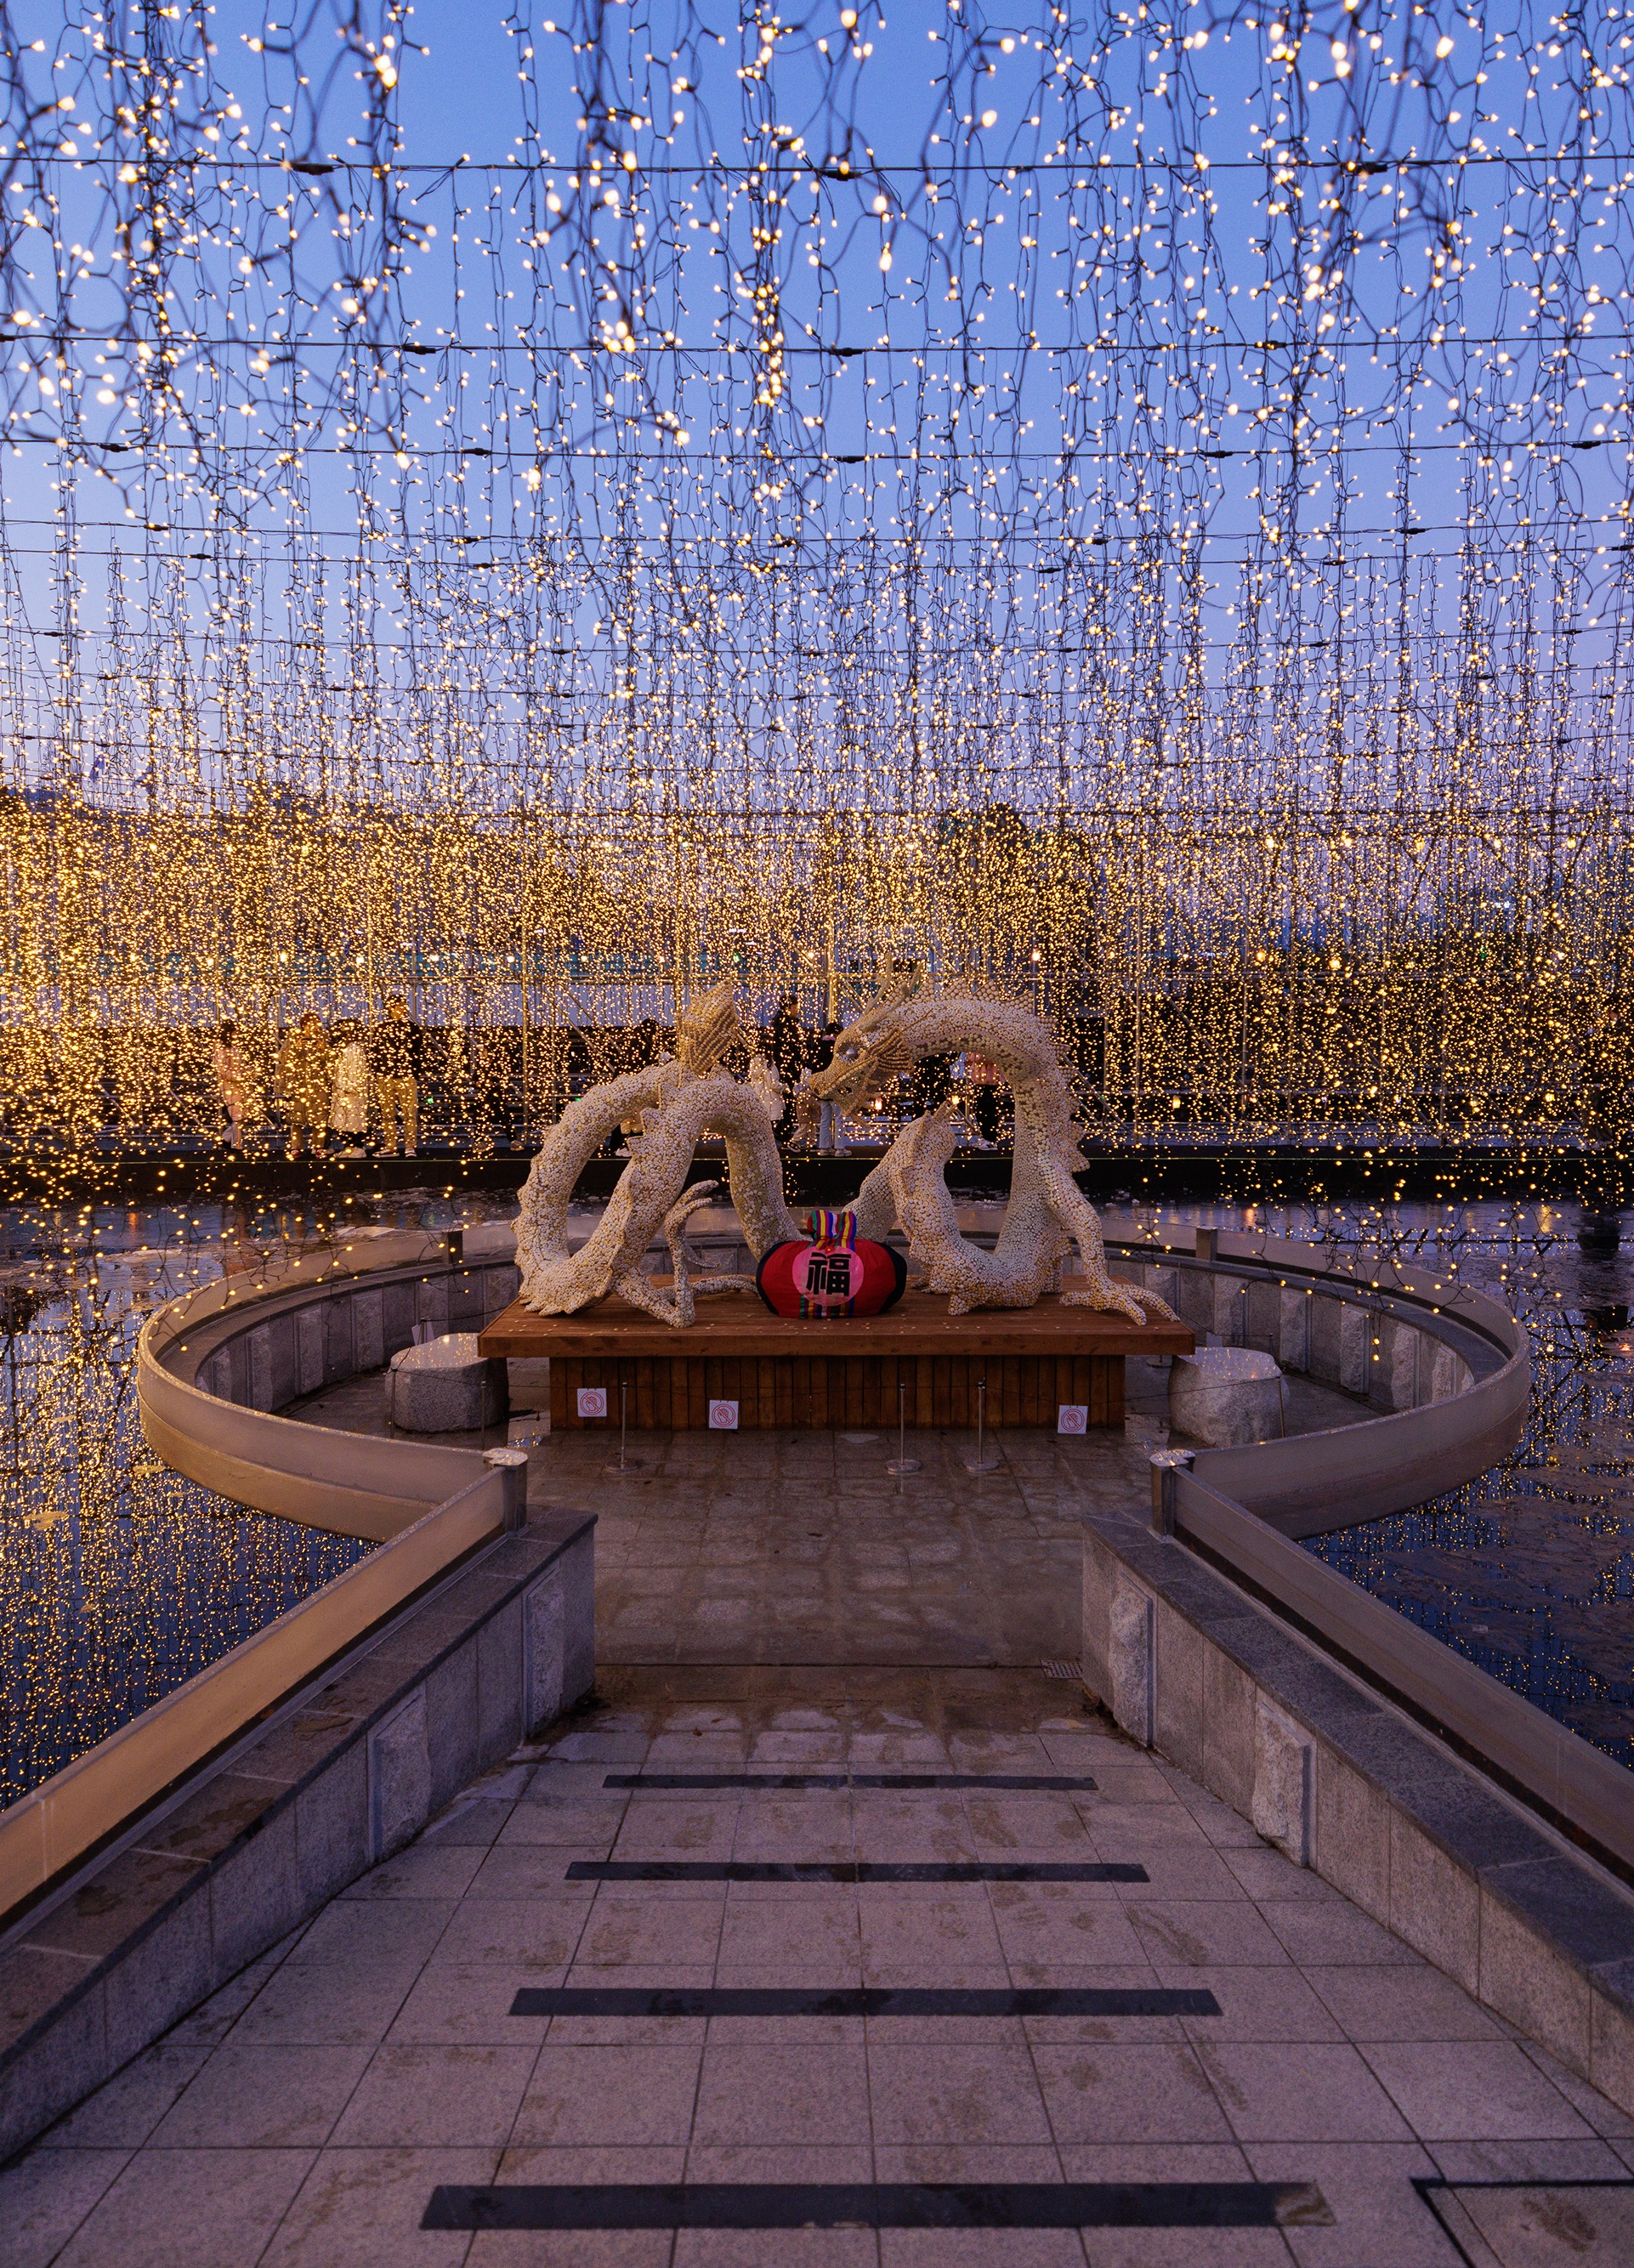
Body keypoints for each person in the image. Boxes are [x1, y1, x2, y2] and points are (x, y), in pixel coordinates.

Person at [371, 993, 420, 1156]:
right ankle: (391, 1145)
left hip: (404, 1075)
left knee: (409, 1113)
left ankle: (410, 1145)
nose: (403, 1009)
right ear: (391, 1008)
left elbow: (418, 1052)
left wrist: (414, 1073)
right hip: (387, 1075)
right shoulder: (381, 1028)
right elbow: (376, 1053)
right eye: (400, 1005)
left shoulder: (412, 1028)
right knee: (387, 1113)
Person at [277, 1011, 331, 1160]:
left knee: (320, 1117)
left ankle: (318, 1147)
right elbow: (282, 1058)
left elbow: (330, 1060)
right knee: (296, 1118)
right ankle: (296, 1147)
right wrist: (297, 1047)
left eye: (315, 1024)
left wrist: (322, 1048)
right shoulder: (292, 1039)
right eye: (309, 1024)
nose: (312, 1028)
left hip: (318, 1084)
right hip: (298, 1084)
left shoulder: (323, 1039)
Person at [213, 1019, 263, 1152]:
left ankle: (226, 1139)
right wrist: (241, 1076)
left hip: (239, 1085)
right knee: (238, 1116)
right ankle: (236, 1145)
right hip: (230, 1086)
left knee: (242, 1116)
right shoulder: (222, 1048)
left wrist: (248, 1073)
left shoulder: (234, 1047)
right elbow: (222, 1070)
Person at [328, 1019, 370, 1154]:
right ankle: (351, 1148)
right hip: (345, 1092)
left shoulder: (354, 1049)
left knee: (352, 1121)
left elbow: (355, 1072)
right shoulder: (347, 1049)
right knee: (347, 1122)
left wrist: (348, 1087)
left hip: (350, 1093)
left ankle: (356, 1148)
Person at [808, 1018, 848, 1155]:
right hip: (836, 1087)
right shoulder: (837, 1048)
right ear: (836, 1034)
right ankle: (839, 1148)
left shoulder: (817, 1046)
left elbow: (812, 1066)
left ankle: (824, 1147)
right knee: (839, 1118)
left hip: (822, 1089)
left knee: (825, 1118)